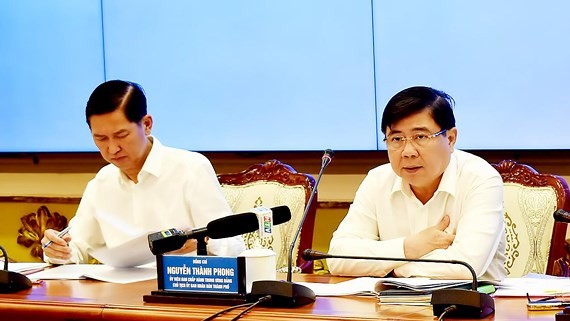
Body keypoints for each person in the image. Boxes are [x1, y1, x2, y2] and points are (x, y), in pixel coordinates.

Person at [42, 80, 245, 264]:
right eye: (101, 139)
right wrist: (58, 250)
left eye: (121, 135)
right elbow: (77, 248)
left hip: (184, 290)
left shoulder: (191, 168)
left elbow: (232, 245)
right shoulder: (101, 183)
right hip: (119, 298)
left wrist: (202, 242)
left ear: (146, 124)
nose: (112, 149)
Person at [328, 86, 506, 281]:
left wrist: (393, 269)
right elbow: (337, 257)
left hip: (469, 307)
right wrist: (410, 246)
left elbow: (466, 266)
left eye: (420, 137)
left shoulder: (480, 179)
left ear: (451, 138)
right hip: (389, 306)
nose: (408, 151)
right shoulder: (377, 180)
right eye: (396, 139)